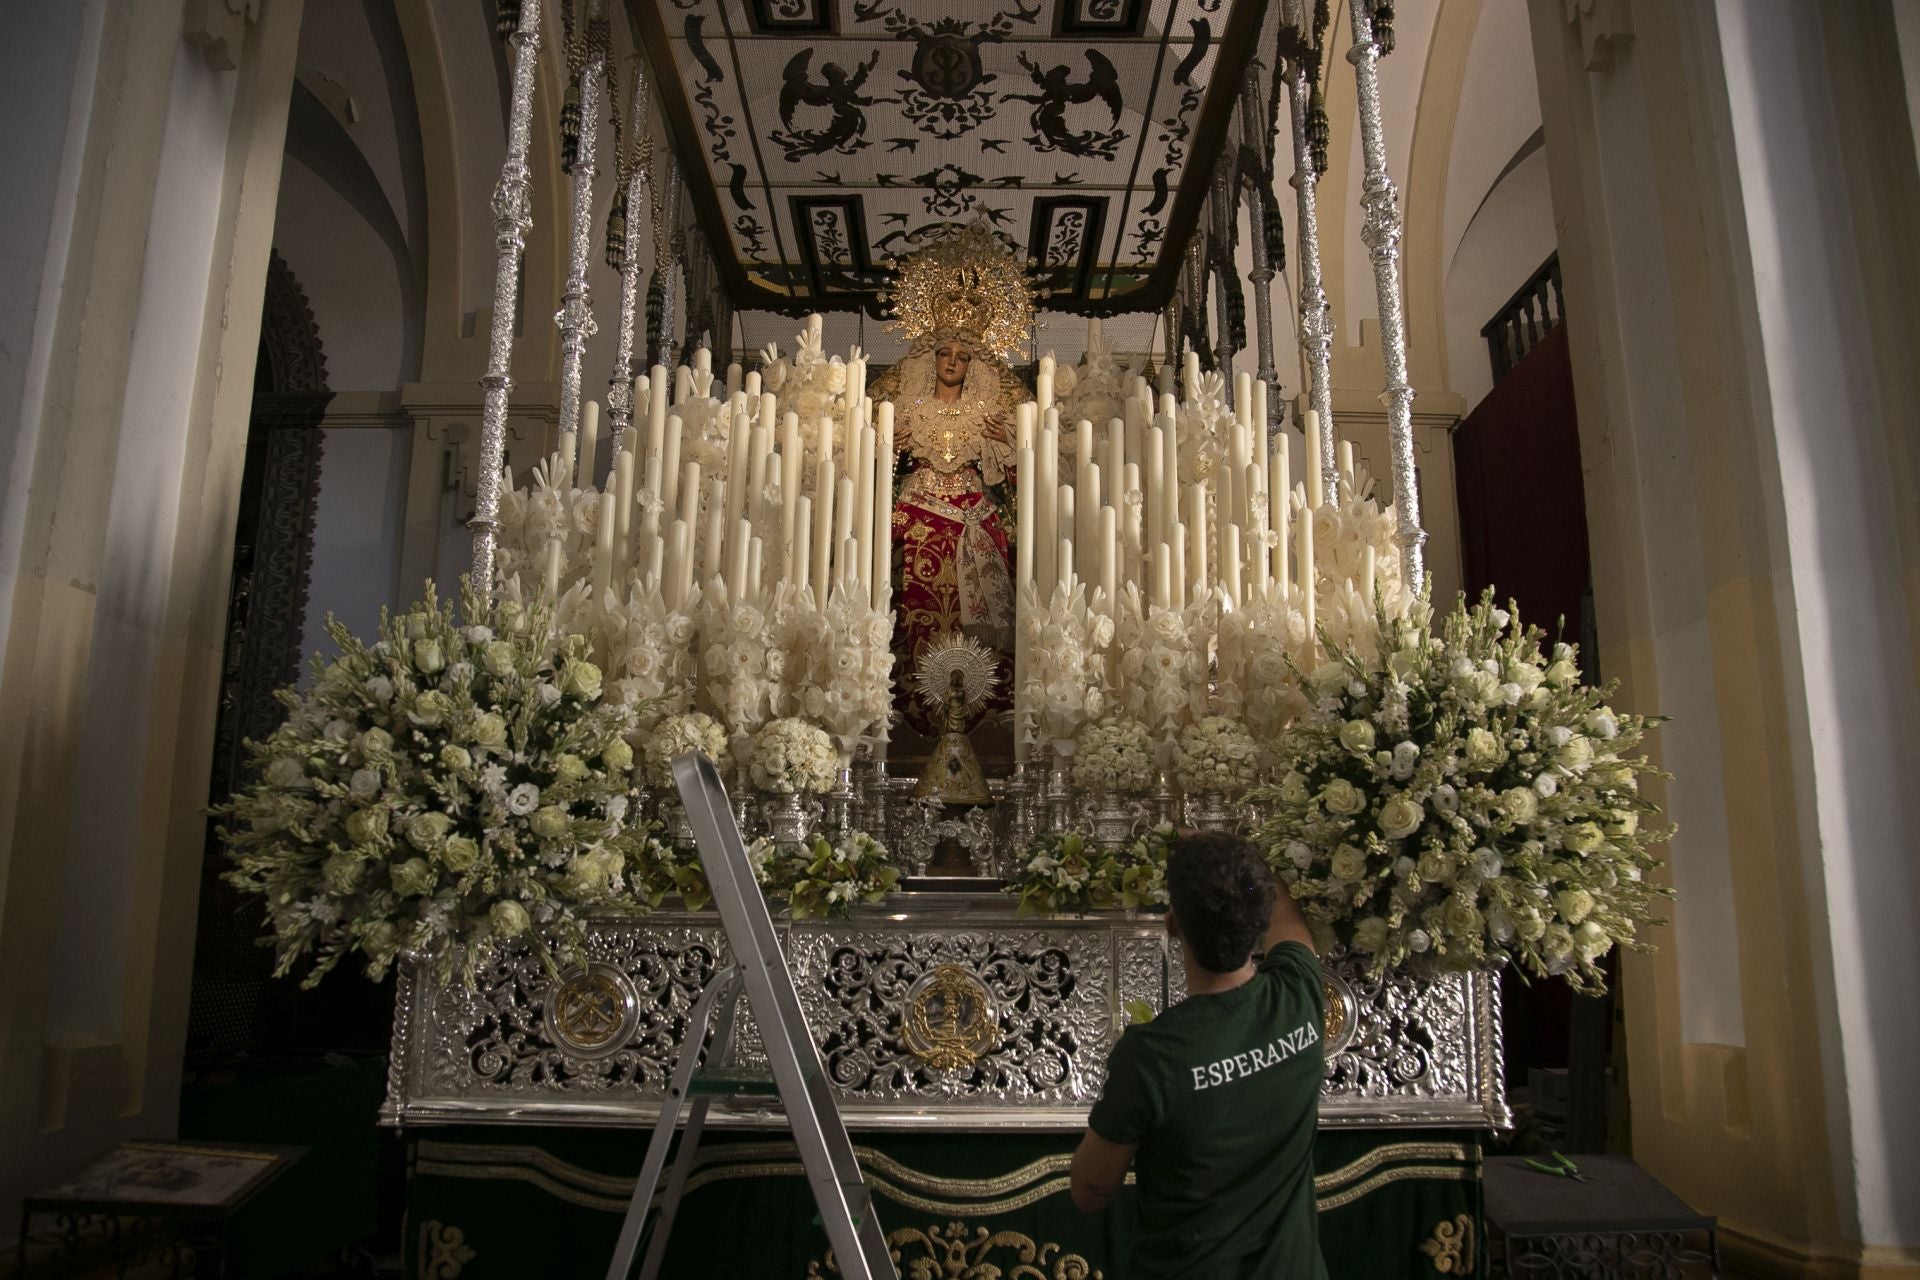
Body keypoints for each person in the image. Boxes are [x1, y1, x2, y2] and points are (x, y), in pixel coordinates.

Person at [1070, 832, 1329, 1280]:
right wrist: (1236, 853)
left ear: (1171, 924)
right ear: (1259, 916)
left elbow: (1090, 1191)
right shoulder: (1299, 992)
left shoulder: (1152, 1054)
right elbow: (1289, 919)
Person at [870, 225, 1033, 736]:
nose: (953, 363)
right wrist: (888, 446)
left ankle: (978, 695)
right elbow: (871, 461)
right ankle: (913, 691)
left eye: (964, 358)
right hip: (917, 510)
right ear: (932, 356)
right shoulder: (905, 408)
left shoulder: (989, 412)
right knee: (909, 595)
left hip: (973, 514)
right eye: (946, 354)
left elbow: (1019, 472)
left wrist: (1005, 435)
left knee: (972, 612)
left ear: (974, 366)